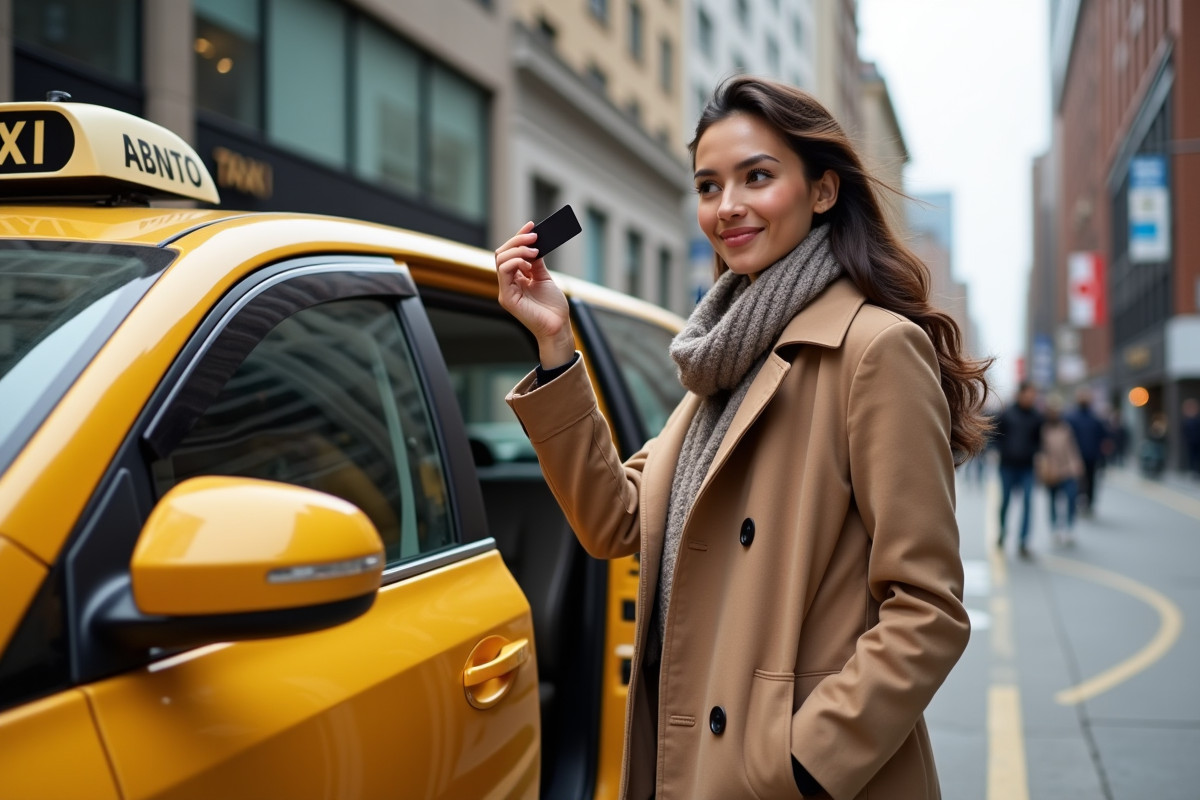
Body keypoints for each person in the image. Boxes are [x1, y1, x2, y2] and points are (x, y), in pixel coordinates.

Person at [495, 76, 991, 800]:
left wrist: (801, 766)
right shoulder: (717, 361)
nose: (727, 207)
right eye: (707, 186)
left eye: (756, 177)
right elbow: (616, 519)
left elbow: (927, 608)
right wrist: (553, 345)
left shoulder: (874, 349)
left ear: (822, 191)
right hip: (691, 760)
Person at [994, 383, 1042, 558]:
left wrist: (1037, 453)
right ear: (1021, 394)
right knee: (1005, 502)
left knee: (1028, 503)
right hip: (1007, 466)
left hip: (1027, 468)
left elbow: (1039, 441)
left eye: (1033, 395)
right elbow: (996, 436)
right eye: (1029, 394)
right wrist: (998, 451)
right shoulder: (1007, 415)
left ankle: (1023, 542)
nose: (1031, 398)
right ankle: (1002, 532)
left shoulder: (1037, 417)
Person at [1039, 397, 1083, 546]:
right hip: (1051, 471)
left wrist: (1077, 464)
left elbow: (1072, 448)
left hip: (1067, 469)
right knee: (1052, 500)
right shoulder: (1043, 429)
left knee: (1071, 498)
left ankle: (1070, 527)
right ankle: (1055, 527)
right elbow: (1041, 452)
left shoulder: (1066, 428)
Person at [1066, 388, 1109, 515]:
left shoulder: (1095, 418)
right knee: (1076, 482)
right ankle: (1076, 502)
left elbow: (1104, 437)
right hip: (1075, 457)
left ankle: (1089, 504)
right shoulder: (1071, 418)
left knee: (1091, 481)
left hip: (1092, 457)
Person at [1182, 398, 1200, 478]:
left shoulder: (1197, 419)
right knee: (1192, 456)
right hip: (1191, 442)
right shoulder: (1187, 420)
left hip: (1197, 441)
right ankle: (1192, 470)